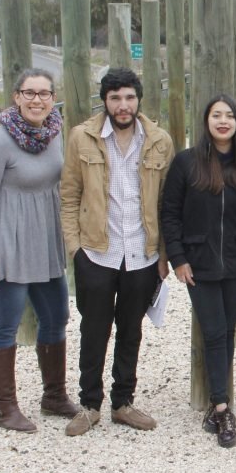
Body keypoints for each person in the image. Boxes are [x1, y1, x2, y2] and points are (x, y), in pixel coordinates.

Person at [60, 68, 175, 436]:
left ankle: (123, 402)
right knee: (94, 329)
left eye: (128, 97)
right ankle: (89, 404)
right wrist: (75, 249)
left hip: (141, 252)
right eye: (115, 98)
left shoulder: (159, 141)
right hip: (96, 251)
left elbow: (167, 203)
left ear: (138, 99)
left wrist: (163, 255)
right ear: (105, 101)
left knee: (131, 329)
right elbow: (69, 195)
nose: (122, 105)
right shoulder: (81, 138)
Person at [160, 94, 236, 448]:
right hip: (199, 263)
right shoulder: (186, 162)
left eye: (229, 116)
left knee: (225, 332)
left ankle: (217, 404)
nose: (223, 121)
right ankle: (222, 408)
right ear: (206, 121)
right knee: (213, 332)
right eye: (216, 115)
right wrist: (178, 258)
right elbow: (170, 213)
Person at [0, 68, 76, 432]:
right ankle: (4, 408)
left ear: (53, 99)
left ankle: (54, 396)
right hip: (7, 244)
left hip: (44, 243)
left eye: (44, 93)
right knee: (6, 325)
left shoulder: (54, 135)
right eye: (29, 93)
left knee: (57, 317)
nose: (36, 100)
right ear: (16, 97)